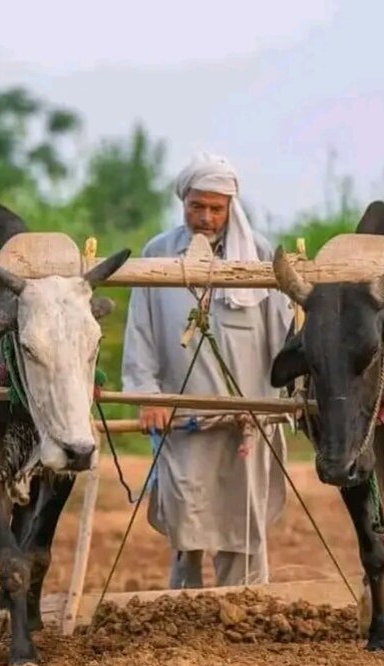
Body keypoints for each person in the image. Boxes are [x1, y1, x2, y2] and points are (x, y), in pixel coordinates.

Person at [121, 152, 293, 588]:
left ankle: (249, 609)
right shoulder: (157, 254)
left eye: (216, 208)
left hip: (247, 420)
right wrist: (147, 395)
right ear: (184, 203)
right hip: (181, 418)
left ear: (231, 208)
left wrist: (282, 401)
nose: (206, 217)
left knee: (243, 525)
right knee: (186, 522)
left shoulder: (261, 256)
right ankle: (185, 612)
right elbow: (140, 331)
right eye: (197, 206)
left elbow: (284, 336)